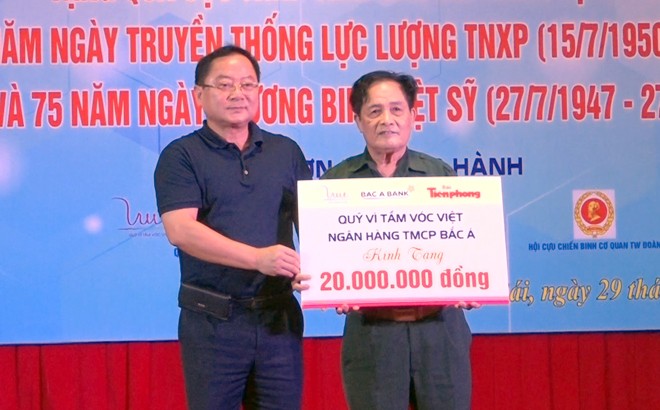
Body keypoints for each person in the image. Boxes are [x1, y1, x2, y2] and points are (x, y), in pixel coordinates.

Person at [298, 70, 476, 410]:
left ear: (412, 116)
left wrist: (473, 280)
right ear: (358, 121)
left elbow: (466, 249)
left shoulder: (440, 175)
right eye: (374, 111)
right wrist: (325, 284)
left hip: (440, 332)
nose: (387, 120)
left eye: (396, 109)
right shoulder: (336, 182)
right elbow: (323, 257)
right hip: (372, 335)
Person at [154, 45, 312, 410]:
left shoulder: (285, 151)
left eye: (247, 84)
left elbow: (314, 225)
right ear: (199, 95)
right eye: (224, 85)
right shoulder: (181, 156)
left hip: (278, 319)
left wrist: (335, 276)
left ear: (259, 90)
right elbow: (181, 231)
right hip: (213, 321)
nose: (237, 94)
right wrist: (257, 258)